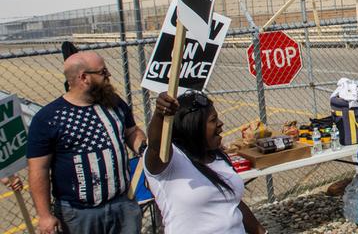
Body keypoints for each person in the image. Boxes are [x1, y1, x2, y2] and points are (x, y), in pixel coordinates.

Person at [26, 51, 146, 234]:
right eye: (103, 72)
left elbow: (131, 132)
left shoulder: (114, 103)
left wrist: (143, 147)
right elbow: (38, 170)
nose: (109, 76)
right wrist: (44, 215)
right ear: (84, 77)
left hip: (122, 204)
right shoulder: (48, 118)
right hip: (78, 215)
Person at [144, 91, 265, 234]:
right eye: (213, 120)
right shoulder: (169, 160)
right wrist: (160, 114)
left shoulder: (217, 156)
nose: (220, 124)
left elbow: (232, 202)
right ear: (193, 126)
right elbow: (156, 145)